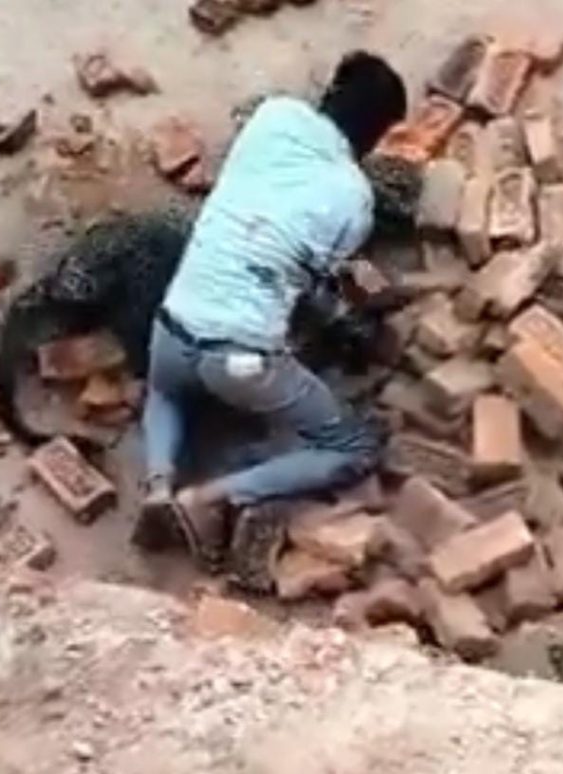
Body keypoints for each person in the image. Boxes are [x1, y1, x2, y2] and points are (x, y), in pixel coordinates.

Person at [133, 51, 407, 590]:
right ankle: (208, 499)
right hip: (241, 359)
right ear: (376, 135)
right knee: (352, 448)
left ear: (331, 92)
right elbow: (316, 288)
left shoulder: (273, 115)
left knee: (165, 390)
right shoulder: (354, 196)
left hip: (174, 321)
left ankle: (158, 485)